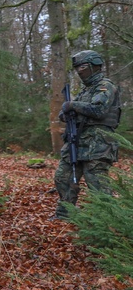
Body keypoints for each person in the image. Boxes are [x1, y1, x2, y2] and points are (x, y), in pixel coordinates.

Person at [53, 50, 122, 219]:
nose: (79, 71)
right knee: (62, 177)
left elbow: (98, 110)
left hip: (98, 143)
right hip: (77, 141)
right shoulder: (86, 91)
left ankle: (107, 221)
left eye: (82, 66)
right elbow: (75, 111)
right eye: (77, 67)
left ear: (94, 66)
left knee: (97, 184)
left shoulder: (105, 86)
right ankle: (64, 214)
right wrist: (66, 113)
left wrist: (73, 105)